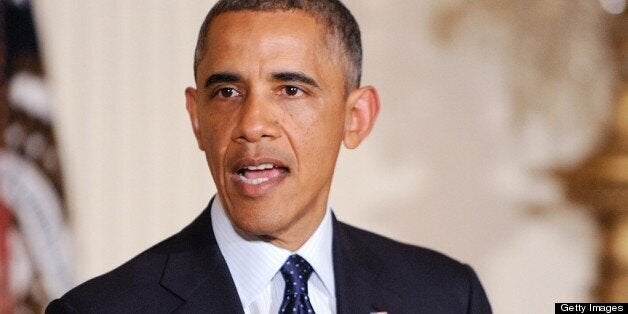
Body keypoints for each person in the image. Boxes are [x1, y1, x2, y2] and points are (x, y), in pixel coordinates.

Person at [46, 0, 492, 313]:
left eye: (291, 90)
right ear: (197, 118)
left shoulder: (447, 297)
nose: (252, 123)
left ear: (355, 118)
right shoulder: (100, 310)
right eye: (227, 92)